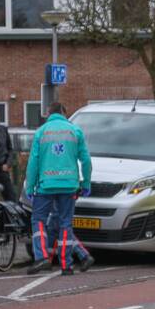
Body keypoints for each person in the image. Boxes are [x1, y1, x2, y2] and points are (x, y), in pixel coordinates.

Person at [24, 102, 94, 276]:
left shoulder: (41, 132)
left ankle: (41, 257)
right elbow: (86, 161)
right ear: (64, 112)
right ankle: (66, 265)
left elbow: (33, 162)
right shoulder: (75, 131)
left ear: (48, 113)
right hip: (69, 185)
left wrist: (30, 186)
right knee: (65, 224)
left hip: (46, 185)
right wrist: (85, 183)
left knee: (38, 220)